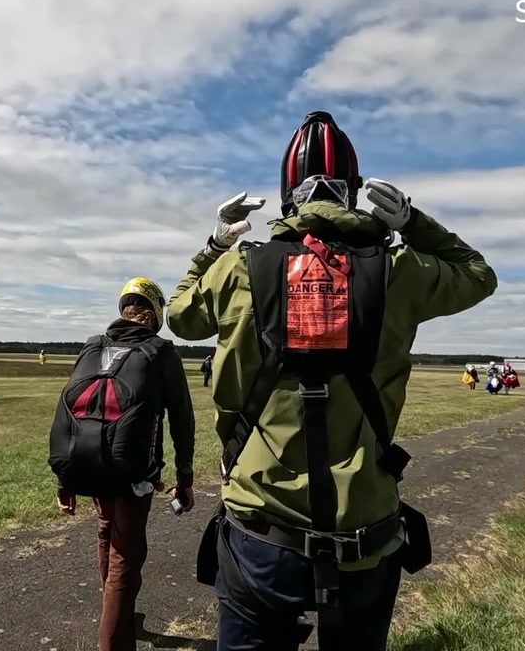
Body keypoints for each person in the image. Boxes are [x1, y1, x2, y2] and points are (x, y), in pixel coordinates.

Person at [166, 111, 497, 650]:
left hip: (262, 530)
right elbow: (479, 275)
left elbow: (179, 316)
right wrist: (413, 222)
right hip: (365, 534)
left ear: (287, 195)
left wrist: (214, 244)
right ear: (353, 192)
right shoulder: (397, 269)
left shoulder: (240, 268)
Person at [47, 277, 197, 651]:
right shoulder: (160, 352)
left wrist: (66, 480)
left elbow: (73, 415)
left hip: (88, 463)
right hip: (132, 473)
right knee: (125, 557)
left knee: (106, 531)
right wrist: (185, 478)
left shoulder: (93, 346)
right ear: (155, 314)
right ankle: (115, 636)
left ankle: (120, 615)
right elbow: (182, 421)